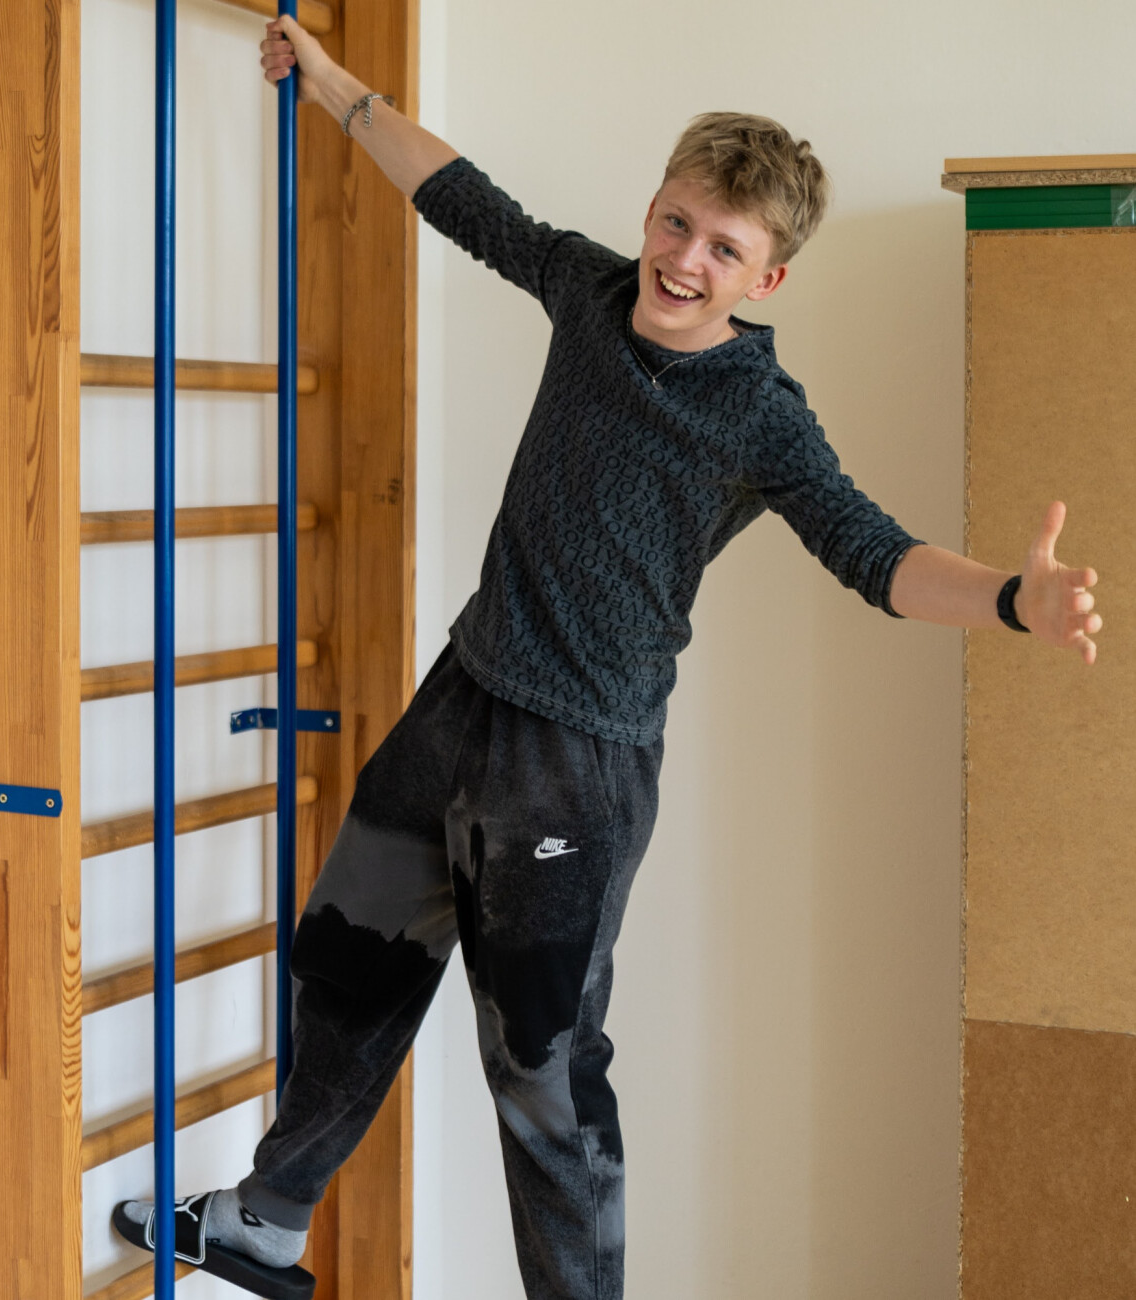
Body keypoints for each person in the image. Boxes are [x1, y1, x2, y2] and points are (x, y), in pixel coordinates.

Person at [114, 14, 1103, 1300]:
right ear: (651, 209)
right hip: (460, 697)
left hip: (575, 769)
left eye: (723, 248)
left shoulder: (760, 416)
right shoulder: (587, 290)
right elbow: (460, 195)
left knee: (543, 1075)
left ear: (766, 281)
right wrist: (327, 81)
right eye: (676, 223)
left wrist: (1013, 600)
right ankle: (265, 1220)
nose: (684, 259)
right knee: (346, 963)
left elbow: (873, 553)